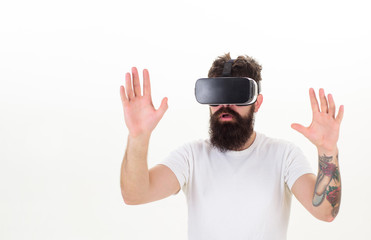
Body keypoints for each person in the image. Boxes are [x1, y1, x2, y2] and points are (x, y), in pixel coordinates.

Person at [119, 53, 344, 240]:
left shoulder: (284, 156)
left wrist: (327, 151)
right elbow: (135, 194)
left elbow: (325, 211)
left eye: (237, 96)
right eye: (216, 97)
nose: (225, 106)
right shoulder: (191, 157)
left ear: (257, 103)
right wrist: (138, 136)